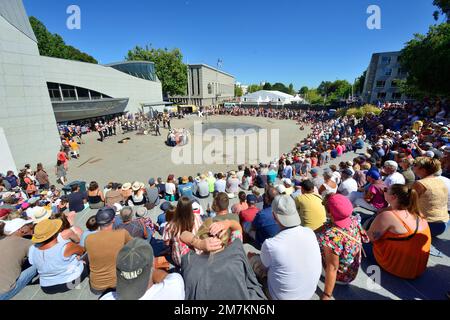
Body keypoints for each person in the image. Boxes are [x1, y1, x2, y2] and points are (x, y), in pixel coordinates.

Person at [248, 195, 322, 300]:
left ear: (274, 216)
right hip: (308, 293)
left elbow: (264, 266)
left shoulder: (271, 244)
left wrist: (253, 257)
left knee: (252, 258)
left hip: (280, 297)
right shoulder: (309, 232)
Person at [180, 219, 266, 300]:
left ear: (201, 235)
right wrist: (227, 223)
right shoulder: (236, 250)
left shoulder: (189, 263)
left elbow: (182, 235)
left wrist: (197, 243)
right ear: (225, 237)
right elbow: (237, 227)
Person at [366, 184, 431, 279]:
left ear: (394, 196)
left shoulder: (388, 216)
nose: (384, 191)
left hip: (397, 267)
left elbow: (369, 237)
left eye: (386, 189)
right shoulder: (417, 212)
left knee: (358, 241)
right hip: (416, 268)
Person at [316, 194, 369, 300]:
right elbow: (366, 238)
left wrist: (326, 295)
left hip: (340, 277)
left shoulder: (331, 236)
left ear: (329, 212)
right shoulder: (354, 220)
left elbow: (332, 268)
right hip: (351, 271)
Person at [100, 238, 185, 300]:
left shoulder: (107, 298)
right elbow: (168, 277)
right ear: (152, 264)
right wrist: (152, 268)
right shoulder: (174, 285)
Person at [28, 219, 87, 294]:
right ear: (54, 233)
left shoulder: (32, 249)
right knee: (88, 256)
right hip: (71, 283)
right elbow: (82, 250)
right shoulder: (64, 246)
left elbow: (33, 263)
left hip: (47, 287)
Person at [85, 207, 132, 294]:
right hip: (119, 283)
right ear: (113, 220)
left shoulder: (88, 238)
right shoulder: (122, 233)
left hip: (96, 287)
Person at [0, 219, 36, 300]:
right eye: (27, 226)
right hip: (5, 292)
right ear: (20, 230)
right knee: (38, 263)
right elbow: (36, 259)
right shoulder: (28, 243)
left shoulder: (1, 241)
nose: (30, 227)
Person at [412, 157, 449, 237]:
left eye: (415, 165)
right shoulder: (440, 180)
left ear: (423, 170)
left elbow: (405, 203)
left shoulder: (420, 183)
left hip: (429, 225)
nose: (413, 166)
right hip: (444, 222)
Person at [162, 196, 203, 267]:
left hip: (180, 259)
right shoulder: (197, 217)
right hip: (198, 253)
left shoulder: (170, 225)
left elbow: (166, 242)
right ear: (190, 208)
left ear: (178, 209)